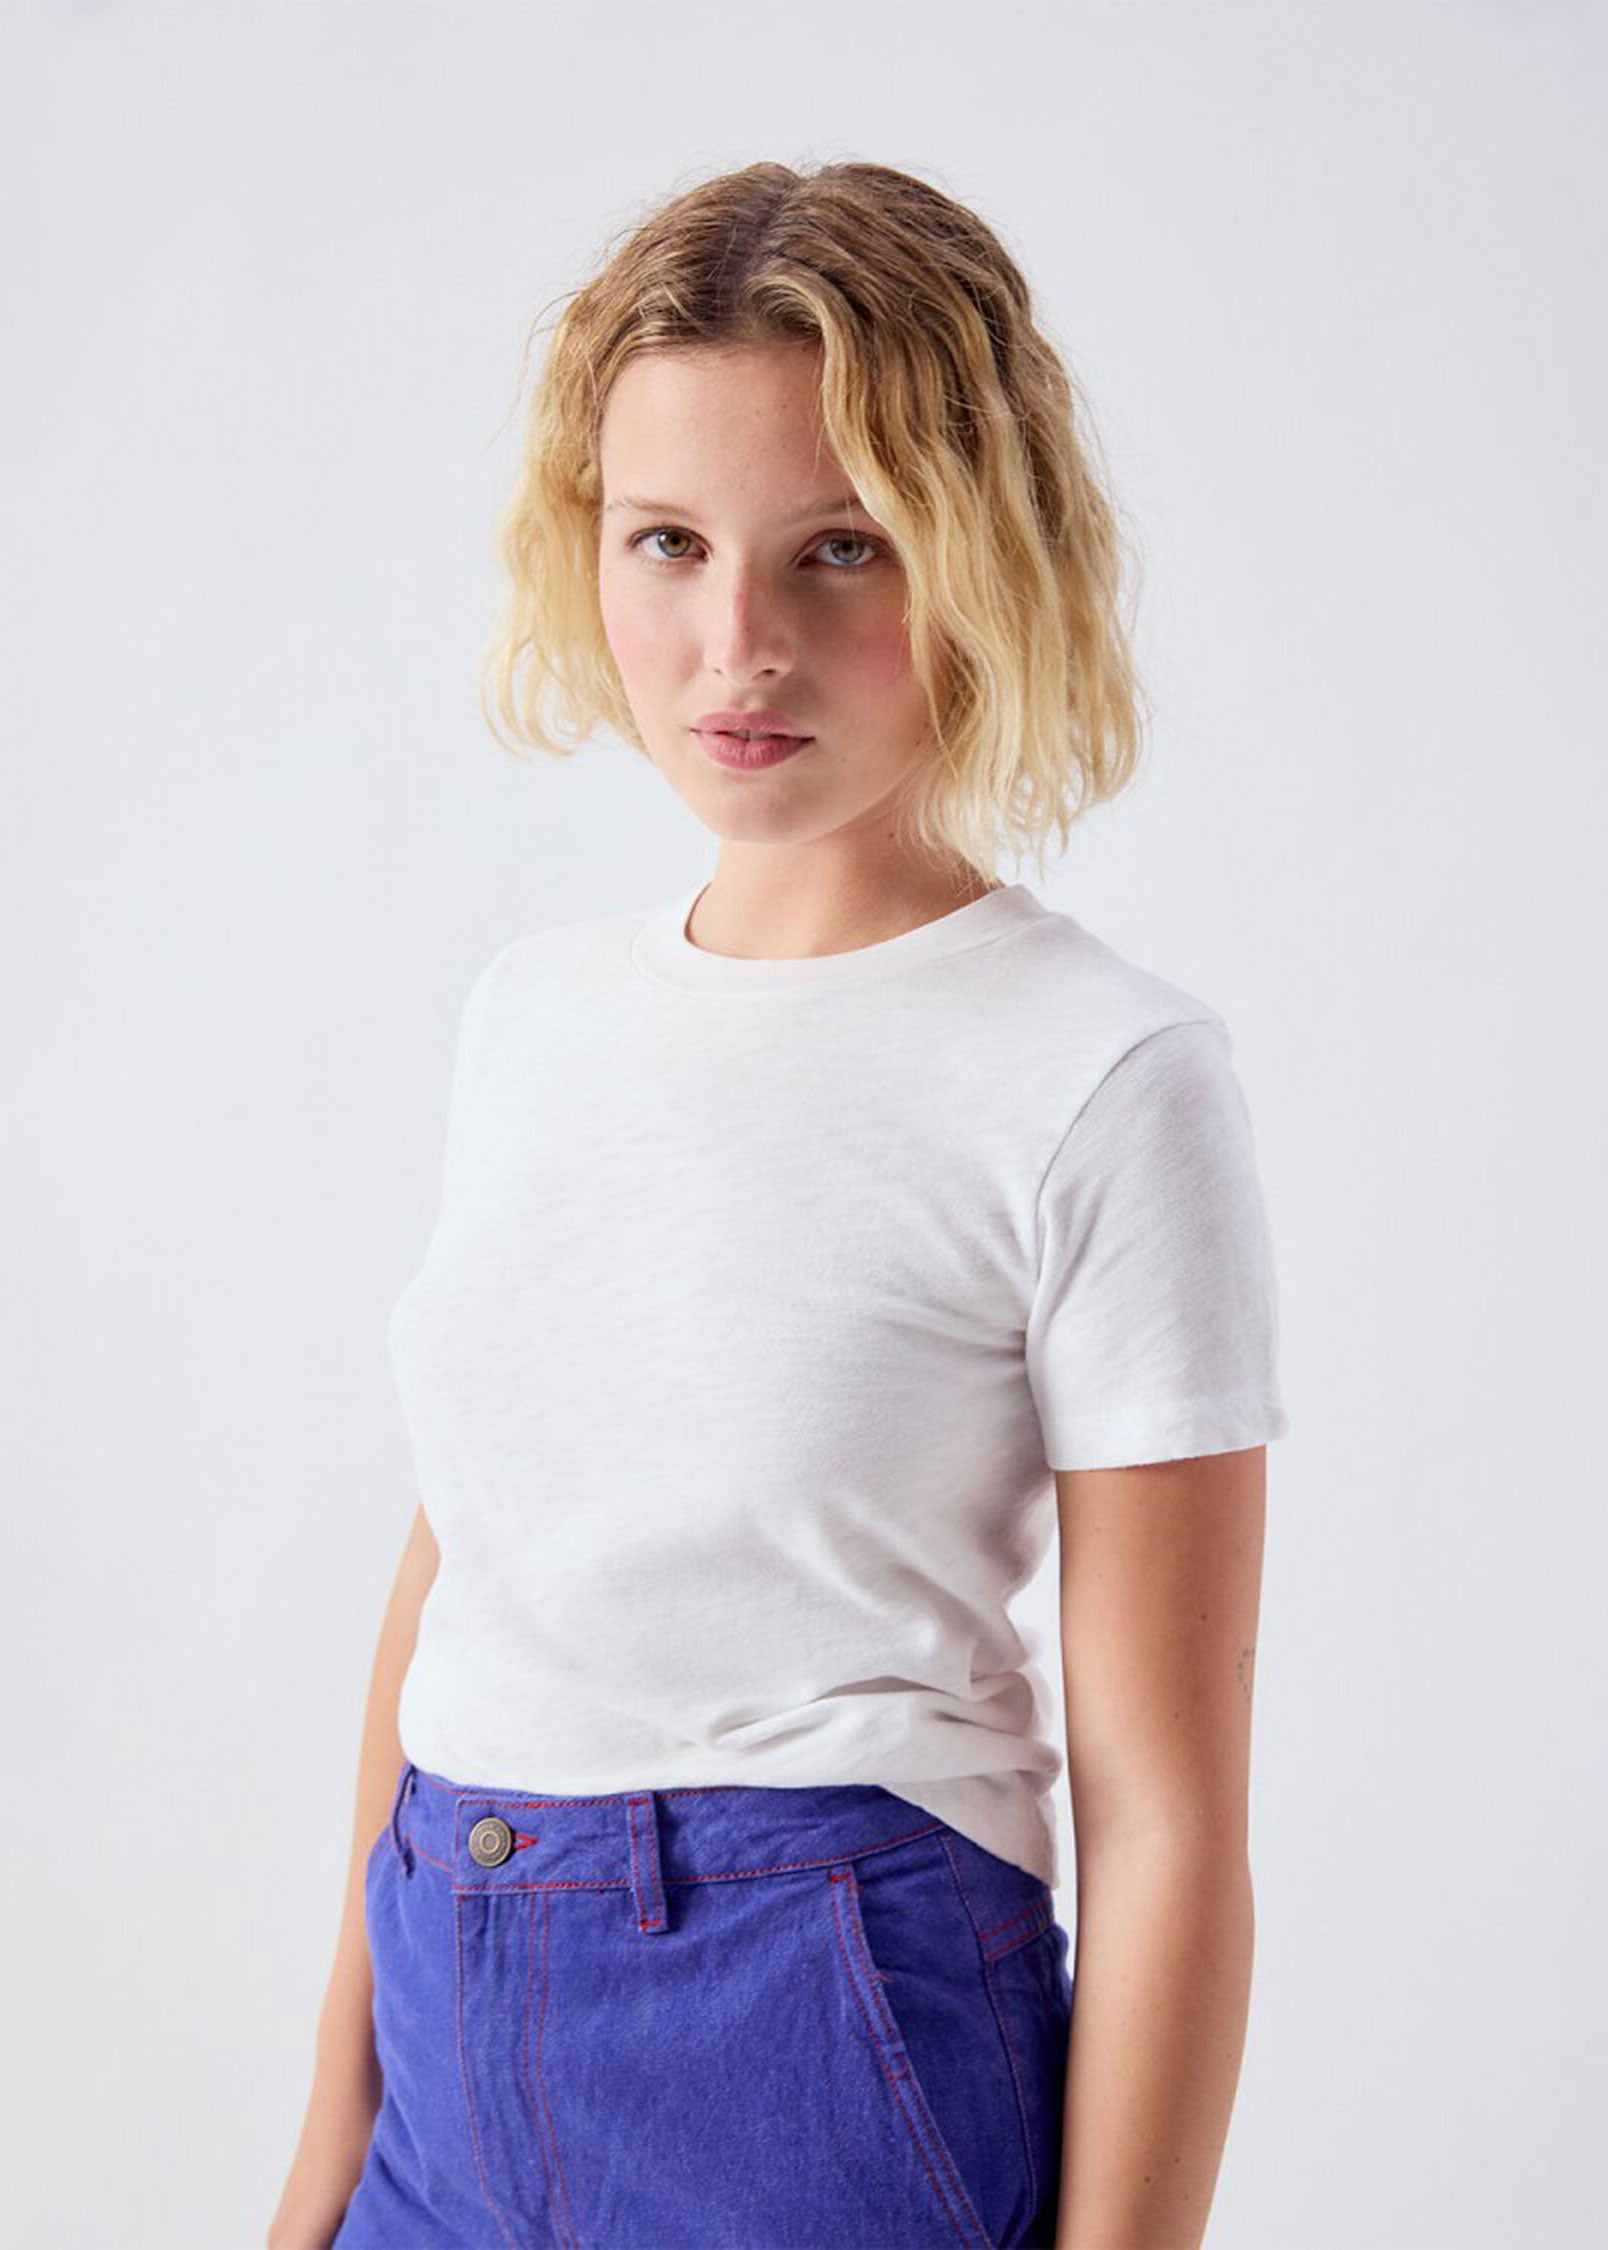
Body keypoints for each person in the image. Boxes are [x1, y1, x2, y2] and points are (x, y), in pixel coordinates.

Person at [270, 159, 1290, 2250]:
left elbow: (1171, 1811)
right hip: (451, 1986)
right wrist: (324, 2159)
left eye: (843, 548)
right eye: (670, 542)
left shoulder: (1103, 1074)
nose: (738, 645)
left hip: (815, 2024)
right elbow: (461, 1576)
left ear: (982, 551)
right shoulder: (533, 1013)